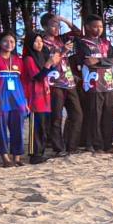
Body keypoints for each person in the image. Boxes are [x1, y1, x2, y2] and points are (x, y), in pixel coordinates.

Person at [40, 13, 82, 157]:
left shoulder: (61, 39)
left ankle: (72, 146)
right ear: (45, 27)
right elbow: (47, 63)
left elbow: (78, 33)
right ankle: (58, 148)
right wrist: (63, 51)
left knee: (77, 114)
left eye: (58, 25)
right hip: (54, 83)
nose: (57, 28)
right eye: (53, 25)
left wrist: (64, 19)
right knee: (56, 117)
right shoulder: (42, 43)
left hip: (69, 82)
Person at [75, 14, 113, 154]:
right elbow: (87, 61)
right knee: (94, 115)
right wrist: (105, 61)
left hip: (108, 83)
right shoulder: (82, 43)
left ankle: (108, 144)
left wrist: (99, 61)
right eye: (95, 26)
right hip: (93, 84)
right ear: (87, 27)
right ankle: (94, 144)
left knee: (109, 114)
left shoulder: (106, 43)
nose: (98, 29)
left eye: (101, 27)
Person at [0, 32, 29, 167]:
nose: (9, 44)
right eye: (6, 41)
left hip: (17, 99)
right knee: (0, 127)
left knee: (18, 128)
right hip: (0, 98)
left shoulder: (18, 60)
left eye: (12, 42)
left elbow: (23, 81)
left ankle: (17, 157)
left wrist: (25, 100)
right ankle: (5, 158)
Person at [21, 31, 54, 164]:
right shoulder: (29, 59)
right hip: (35, 96)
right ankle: (34, 154)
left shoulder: (42, 56)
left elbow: (49, 71)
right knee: (36, 126)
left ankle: (40, 152)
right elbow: (37, 76)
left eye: (41, 41)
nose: (39, 44)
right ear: (30, 43)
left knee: (44, 125)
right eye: (36, 41)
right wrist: (48, 64)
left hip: (44, 95)